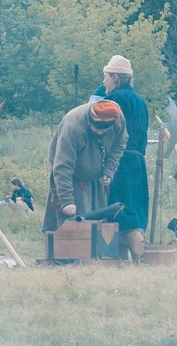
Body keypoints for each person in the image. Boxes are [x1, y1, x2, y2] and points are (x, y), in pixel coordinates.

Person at [89, 55, 148, 261]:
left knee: (124, 214)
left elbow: (103, 133)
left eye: (106, 77)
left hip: (120, 163)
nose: (104, 81)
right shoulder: (139, 100)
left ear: (115, 77)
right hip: (137, 162)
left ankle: (142, 262)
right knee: (125, 216)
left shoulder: (115, 100)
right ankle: (122, 265)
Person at [42, 100, 127, 239]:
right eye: (97, 126)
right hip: (72, 177)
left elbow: (120, 144)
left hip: (96, 178)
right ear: (90, 120)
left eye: (105, 128)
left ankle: (94, 257)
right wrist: (66, 200)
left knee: (96, 225)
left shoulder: (118, 119)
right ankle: (67, 257)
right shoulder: (73, 127)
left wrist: (109, 170)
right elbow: (62, 166)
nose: (100, 131)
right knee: (73, 223)